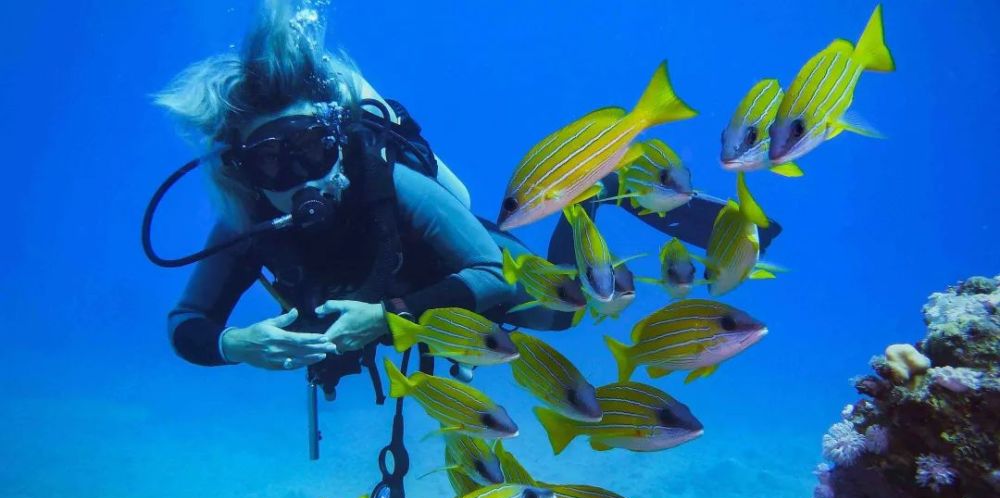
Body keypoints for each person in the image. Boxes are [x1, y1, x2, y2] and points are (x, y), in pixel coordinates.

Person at [154, 1, 780, 387]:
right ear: (244, 171)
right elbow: (188, 324)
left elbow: (492, 275)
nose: (301, 177)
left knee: (561, 312)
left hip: (453, 267)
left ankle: (591, 196)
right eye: (271, 161)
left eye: (312, 149)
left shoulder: (386, 184)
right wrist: (234, 345)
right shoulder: (244, 221)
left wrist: (390, 317)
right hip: (408, 310)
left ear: (339, 140)